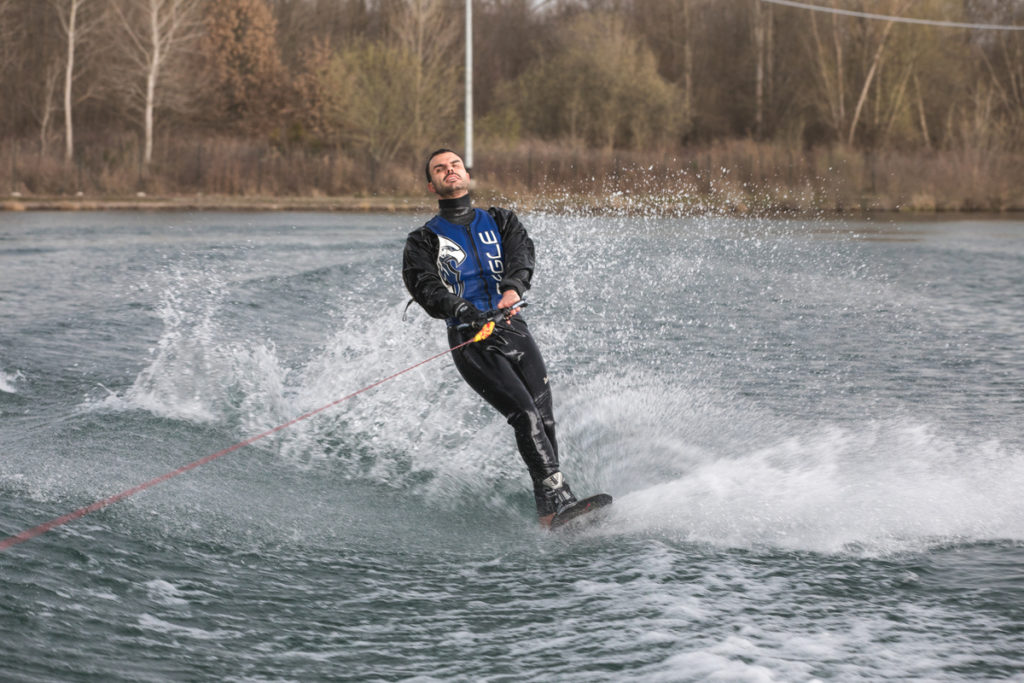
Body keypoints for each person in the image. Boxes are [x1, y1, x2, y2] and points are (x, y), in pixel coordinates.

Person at [402, 148, 578, 527]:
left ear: (466, 175)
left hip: (513, 327)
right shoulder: (423, 240)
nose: (450, 170)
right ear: (431, 185)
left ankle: (549, 516)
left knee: (545, 421)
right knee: (524, 415)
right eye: (440, 169)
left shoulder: (501, 220)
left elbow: (521, 254)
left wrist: (513, 288)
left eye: (455, 165)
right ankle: (562, 497)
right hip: (470, 338)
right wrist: (464, 309)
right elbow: (425, 286)